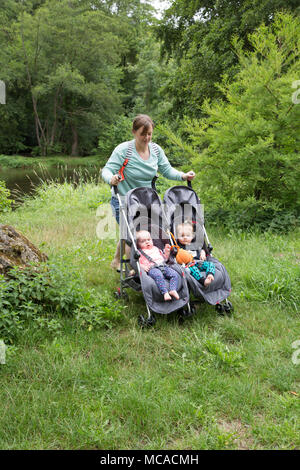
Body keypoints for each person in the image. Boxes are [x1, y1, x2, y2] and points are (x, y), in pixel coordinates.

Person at [101, 114, 196, 269]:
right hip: (124, 200)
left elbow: (167, 170)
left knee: (148, 234)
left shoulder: (156, 151)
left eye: (149, 134)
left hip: (147, 201)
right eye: (142, 134)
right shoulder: (124, 150)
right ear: (133, 132)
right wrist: (111, 178)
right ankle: (136, 270)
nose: (146, 138)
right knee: (133, 235)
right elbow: (106, 170)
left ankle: (120, 260)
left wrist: (183, 175)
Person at [136, 230, 180, 301]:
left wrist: (167, 252)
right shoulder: (140, 252)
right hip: (152, 269)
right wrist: (142, 267)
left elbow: (164, 258)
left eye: (149, 240)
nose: (147, 242)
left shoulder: (156, 249)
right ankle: (165, 293)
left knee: (174, 274)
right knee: (158, 276)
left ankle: (173, 290)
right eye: (143, 241)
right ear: (138, 244)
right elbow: (137, 262)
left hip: (163, 266)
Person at [176, 221, 215, 286]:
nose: (185, 237)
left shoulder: (195, 245)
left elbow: (201, 249)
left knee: (210, 264)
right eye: (182, 236)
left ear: (192, 236)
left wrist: (203, 252)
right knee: (193, 269)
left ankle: (210, 274)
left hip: (198, 262)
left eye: (188, 235)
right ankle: (203, 281)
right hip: (189, 265)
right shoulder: (179, 247)